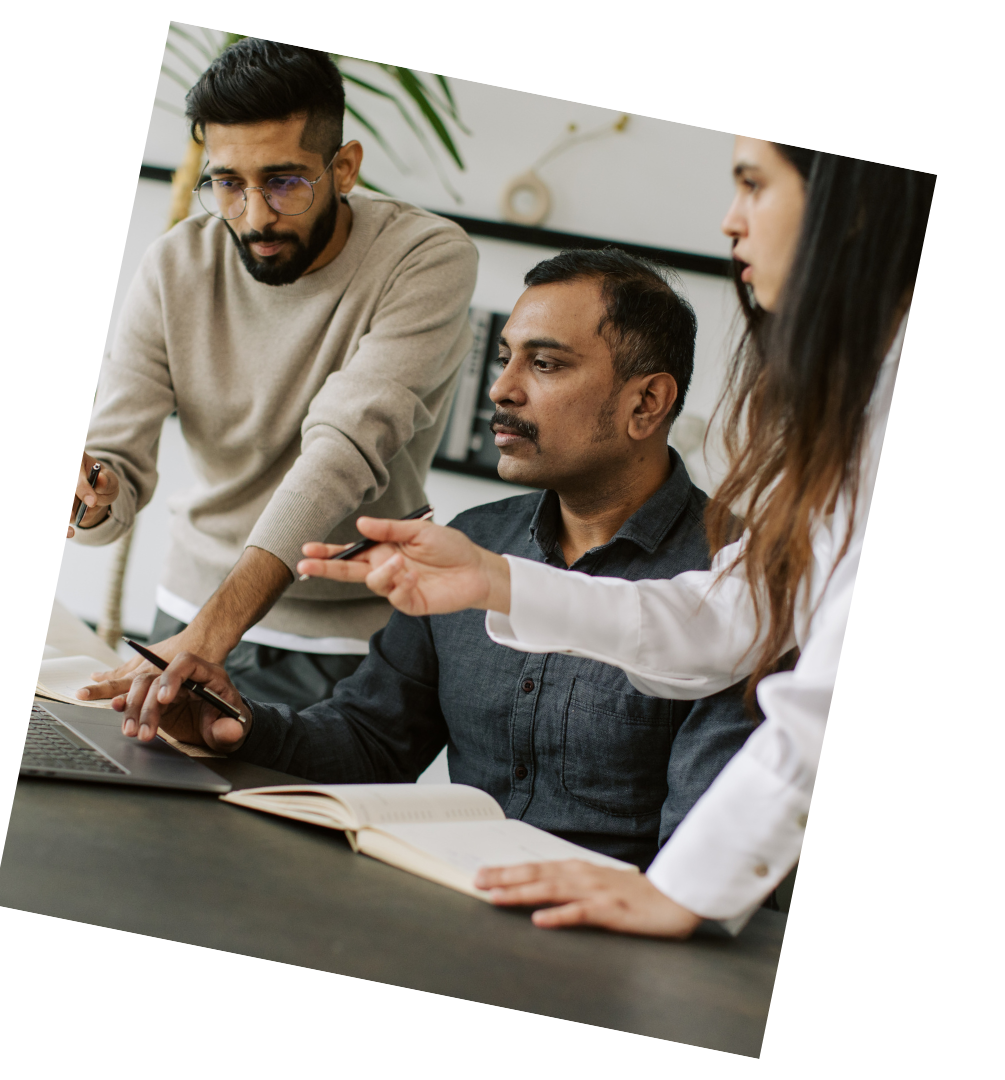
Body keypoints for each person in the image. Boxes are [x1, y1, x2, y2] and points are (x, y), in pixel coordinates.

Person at [295, 137, 927, 937]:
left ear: (852, 202)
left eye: (754, 186)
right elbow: (731, 619)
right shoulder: (868, 400)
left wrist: (683, 891)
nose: (730, 220)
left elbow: (834, 701)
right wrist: (497, 581)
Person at [113, 250, 760, 872]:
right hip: (450, 901)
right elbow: (370, 742)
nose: (502, 389)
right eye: (506, 359)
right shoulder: (472, 541)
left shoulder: (743, 583)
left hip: (618, 942)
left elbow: (706, 856)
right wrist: (237, 726)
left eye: (546, 365)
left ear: (646, 404)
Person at [67, 38, 478, 709]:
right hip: (189, 611)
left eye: (285, 181)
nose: (255, 217)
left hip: (346, 642)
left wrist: (216, 629)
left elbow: (342, 453)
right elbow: (114, 473)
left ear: (344, 168)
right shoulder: (176, 266)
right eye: (229, 183)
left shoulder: (426, 257)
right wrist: (97, 493)